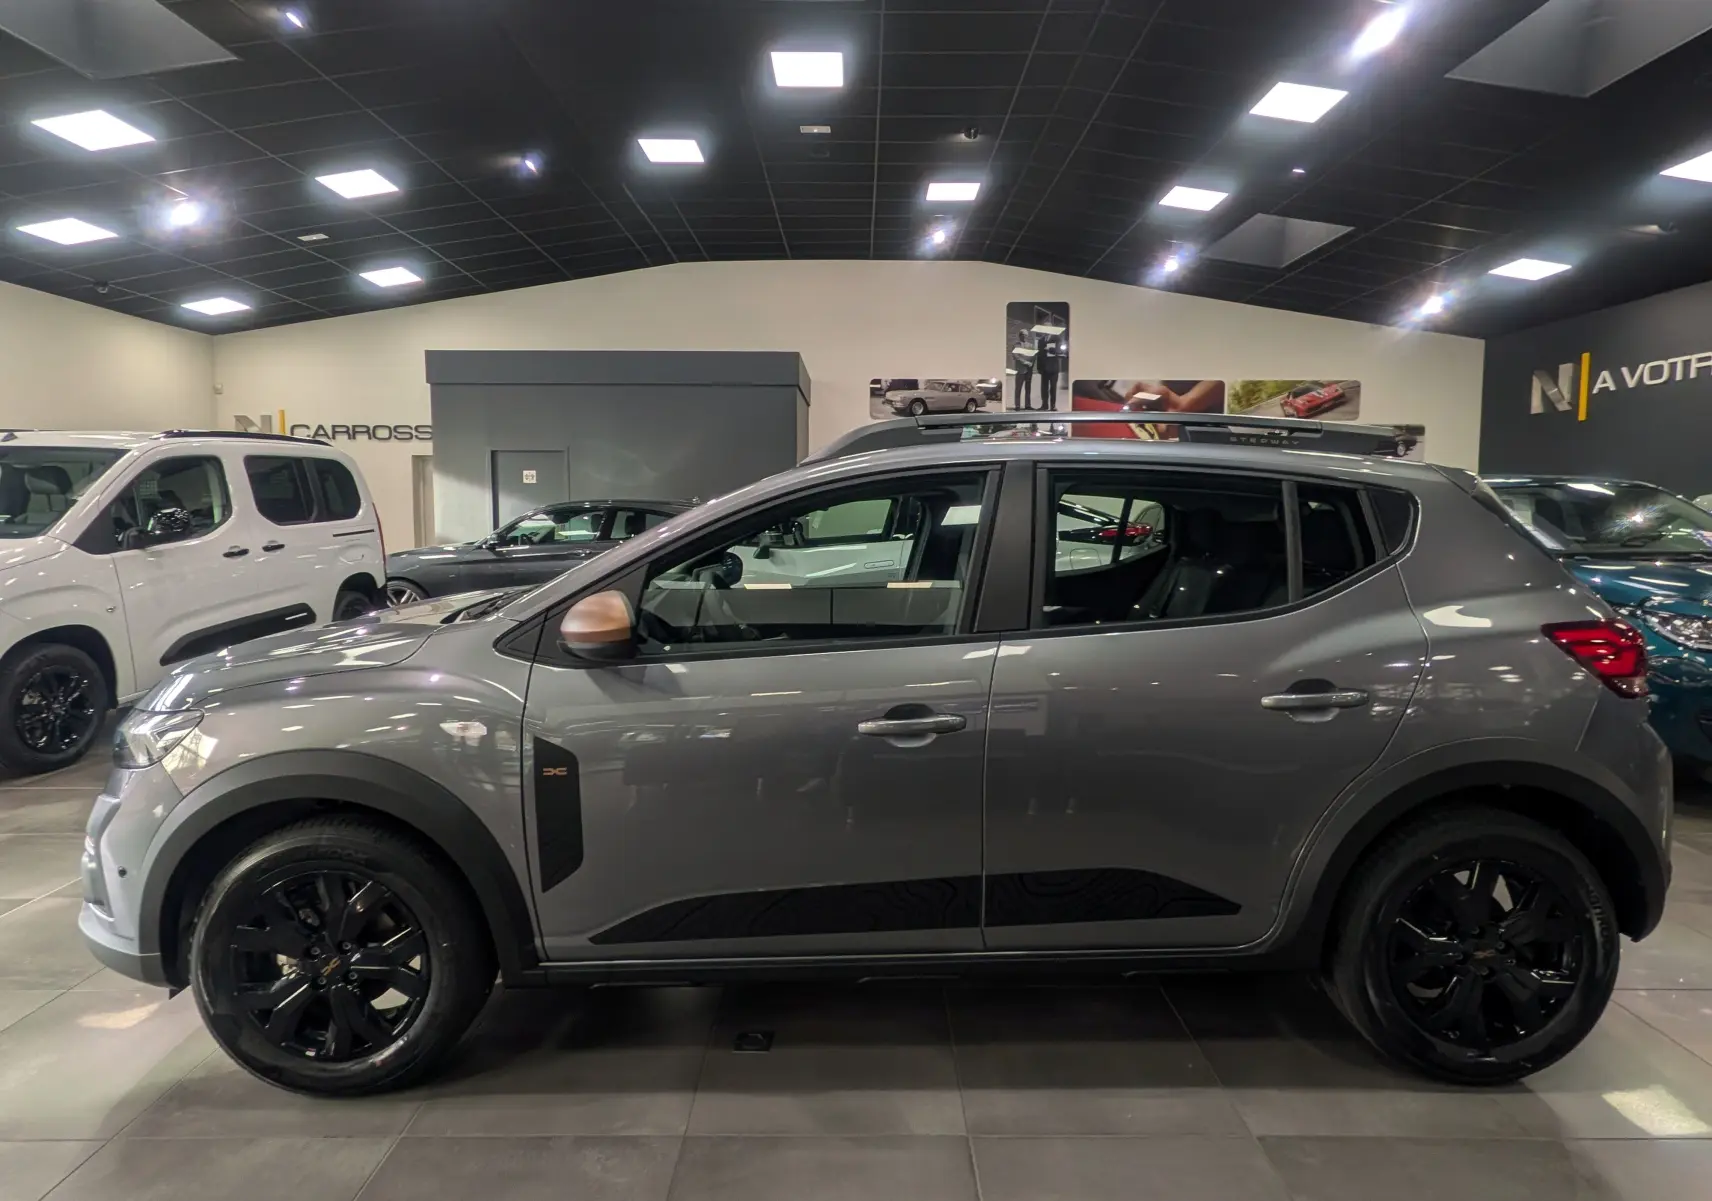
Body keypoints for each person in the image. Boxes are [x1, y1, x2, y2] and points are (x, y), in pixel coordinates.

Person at [1011, 330, 1035, 410]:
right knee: (1018, 388)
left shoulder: (1031, 345)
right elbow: (1016, 356)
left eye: (1026, 335)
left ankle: (1028, 405)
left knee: (1028, 389)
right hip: (1020, 370)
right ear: (1020, 336)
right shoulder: (1016, 345)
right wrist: (1025, 362)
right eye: (1023, 335)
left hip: (1029, 370)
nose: (1024, 336)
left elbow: (1033, 356)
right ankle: (1017, 406)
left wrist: (1031, 363)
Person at [1038, 334, 1062, 410]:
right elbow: (1039, 354)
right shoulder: (1041, 340)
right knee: (1044, 388)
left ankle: (1053, 405)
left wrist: (1049, 350)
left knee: (1053, 388)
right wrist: (1039, 367)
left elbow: (1059, 351)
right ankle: (1044, 405)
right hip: (1044, 368)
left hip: (1053, 368)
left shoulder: (1057, 338)